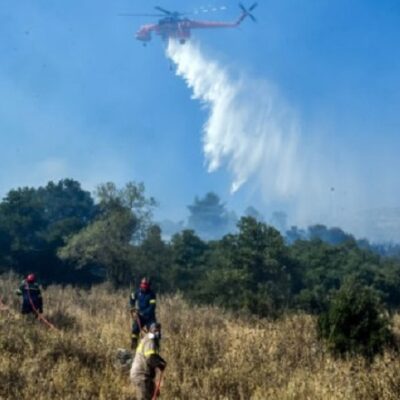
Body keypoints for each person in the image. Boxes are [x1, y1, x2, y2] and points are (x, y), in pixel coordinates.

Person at [130, 322, 167, 400]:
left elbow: (153, 355)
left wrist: (161, 360)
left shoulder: (149, 339)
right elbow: (150, 359)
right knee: (145, 397)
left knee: (153, 395)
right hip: (141, 375)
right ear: (151, 330)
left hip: (145, 376)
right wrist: (160, 365)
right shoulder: (150, 340)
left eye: (159, 330)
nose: (158, 332)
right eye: (156, 330)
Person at [130, 277, 157, 350]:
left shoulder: (152, 294)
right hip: (140, 317)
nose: (143, 288)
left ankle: (153, 350)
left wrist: (143, 313)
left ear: (148, 286)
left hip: (150, 317)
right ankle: (133, 347)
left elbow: (152, 307)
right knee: (135, 330)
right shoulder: (138, 292)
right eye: (142, 286)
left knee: (153, 332)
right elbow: (132, 297)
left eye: (145, 286)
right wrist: (132, 307)